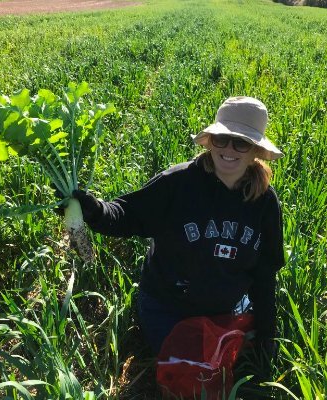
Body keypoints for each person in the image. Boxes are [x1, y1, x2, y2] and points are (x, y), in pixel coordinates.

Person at [72, 96, 285, 360]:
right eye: (222, 139)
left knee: (234, 364)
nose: (229, 149)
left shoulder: (264, 202)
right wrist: (95, 211)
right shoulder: (179, 183)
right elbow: (127, 214)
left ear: (255, 151)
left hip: (225, 308)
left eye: (241, 143)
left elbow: (265, 273)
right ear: (210, 142)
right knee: (189, 369)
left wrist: (266, 334)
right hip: (168, 307)